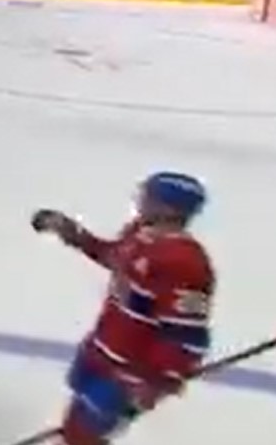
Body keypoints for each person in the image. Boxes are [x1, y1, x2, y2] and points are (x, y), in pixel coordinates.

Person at [31, 172, 214, 445]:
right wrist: (75, 235)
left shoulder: (186, 263)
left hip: (131, 372)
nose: (140, 201)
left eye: (149, 197)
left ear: (170, 210)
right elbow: (114, 256)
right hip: (101, 351)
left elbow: (187, 335)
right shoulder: (139, 233)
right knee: (77, 421)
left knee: (87, 432)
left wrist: (158, 381)